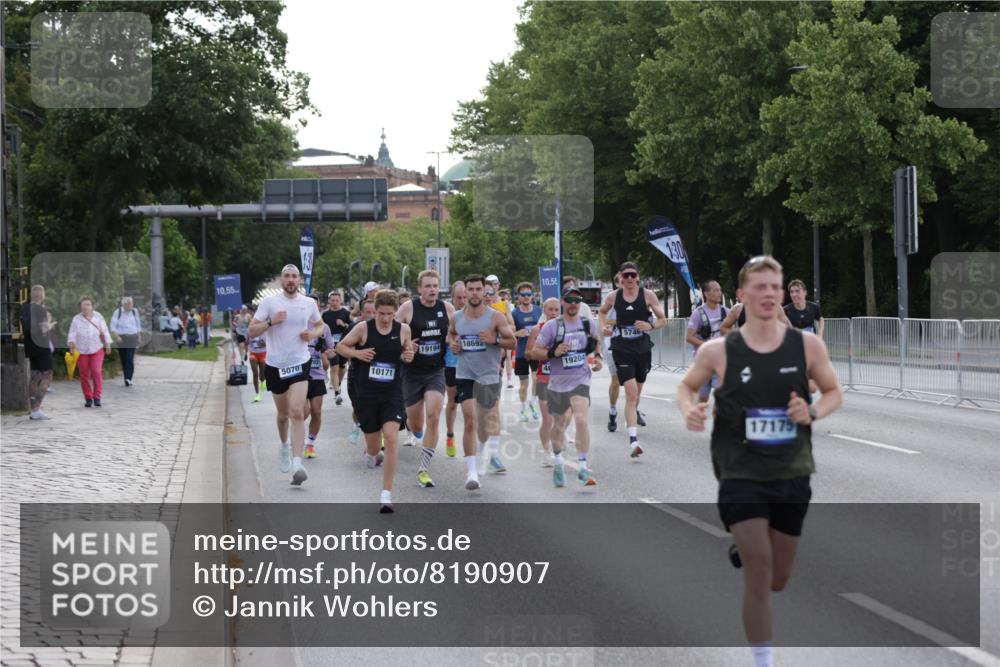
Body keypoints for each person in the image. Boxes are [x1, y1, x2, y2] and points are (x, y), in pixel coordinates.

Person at [677, 255, 842, 667]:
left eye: (774, 287)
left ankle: (748, 549)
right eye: (759, 287)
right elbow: (686, 386)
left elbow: (834, 391)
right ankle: (763, 660)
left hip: (791, 471)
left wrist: (813, 411)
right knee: (759, 568)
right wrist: (689, 409)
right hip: (740, 472)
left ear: (782, 293)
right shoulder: (718, 350)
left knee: (779, 580)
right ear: (741, 295)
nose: (768, 294)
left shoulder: (807, 346)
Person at [336, 290, 415, 512]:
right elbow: (340, 347)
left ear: (395, 312)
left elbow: (407, 354)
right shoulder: (363, 328)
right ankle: (372, 454)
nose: (386, 318)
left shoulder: (403, 330)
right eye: (381, 313)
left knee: (390, 439)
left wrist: (408, 356)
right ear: (375, 310)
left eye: (390, 314)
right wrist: (357, 354)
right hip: (367, 395)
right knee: (373, 449)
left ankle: (386, 495)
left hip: (392, 393)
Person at [248, 264, 325, 486]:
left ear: (299, 280)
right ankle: (284, 446)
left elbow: (320, 325)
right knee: (283, 415)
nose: (291, 280)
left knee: (297, 412)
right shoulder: (269, 303)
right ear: (282, 280)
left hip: (300, 362)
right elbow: (251, 330)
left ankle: (297, 463)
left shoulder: (308, 303)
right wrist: (271, 322)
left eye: (294, 276)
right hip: (275, 365)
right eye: (287, 276)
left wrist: (312, 334)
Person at [529, 286, 602, 487]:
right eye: (569, 300)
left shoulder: (587, 324)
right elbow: (535, 352)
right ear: (563, 302)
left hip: (581, 379)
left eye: (577, 300)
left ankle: (583, 467)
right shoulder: (552, 327)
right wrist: (553, 352)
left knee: (581, 419)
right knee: (559, 425)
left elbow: (596, 342)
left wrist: (598, 358)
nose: (573, 304)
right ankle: (558, 461)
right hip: (558, 382)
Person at [448, 274, 516, 491]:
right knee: (470, 419)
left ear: (484, 292)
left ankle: (481, 449)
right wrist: (453, 345)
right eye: (471, 289)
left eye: (479, 289)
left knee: (485, 423)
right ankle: (471, 472)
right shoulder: (457, 317)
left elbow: (512, 342)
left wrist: (495, 340)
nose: (475, 293)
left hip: (488, 375)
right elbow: (451, 335)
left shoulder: (495, 317)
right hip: (465, 374)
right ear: (465, 292)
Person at [598, 262, 667, 458]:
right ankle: (633, 441)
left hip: (642, 349)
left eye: (632, 275)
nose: (629, 278)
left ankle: (630, 418)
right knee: (631, 393)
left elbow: (663, 320)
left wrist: (650, 326)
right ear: (620, 277)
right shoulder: (614, 297)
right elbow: (602, 312)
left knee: (636, 393)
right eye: (625, 275)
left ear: (638, 277)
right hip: (621, 348)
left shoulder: (648, 295)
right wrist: (603, 327)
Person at [395, 270, 455, 489]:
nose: (432, 290)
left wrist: (452, 341)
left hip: (435, 371)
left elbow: (455, 333)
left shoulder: (447, 309)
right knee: (417, 424)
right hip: (411, 373)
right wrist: (405, 345)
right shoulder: (407, 308)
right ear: (419, 289)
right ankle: (415, 430)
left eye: (435, 286)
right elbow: (391, 335)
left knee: (433, 415)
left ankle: (423, 468)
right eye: (427, 286)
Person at [526, 297, 561, 467]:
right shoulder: (537, 329)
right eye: (550, 310)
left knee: (560, 419)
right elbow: (528, 353)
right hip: (544, 377)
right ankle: (547, 453)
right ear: (544, 311)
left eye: (556, 310)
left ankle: (557, 448)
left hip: (563, 379)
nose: (553, 313)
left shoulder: (567, 328)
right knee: (547, 419)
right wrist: (545, 352)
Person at [304, 295, 336, 459]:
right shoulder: (298, 324)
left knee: (316, 412)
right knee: (303, 413)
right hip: (299, 375)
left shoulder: (324, 328)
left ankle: (310, 443)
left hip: (317, 374)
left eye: (315, 306)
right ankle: (296, 436)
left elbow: (331, 350)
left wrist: (328, 352)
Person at [686, 280, 728, 404]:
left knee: (722, 397)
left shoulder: (726, 312)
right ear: (706, 294)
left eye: (720, 290)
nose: (719, 293)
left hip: (720, 362)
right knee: (703, 399)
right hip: (702, 362)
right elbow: (689, 337)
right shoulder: (698, 313)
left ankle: (719, 417)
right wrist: (707, 345)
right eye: (715, 290)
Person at [67, 297, 112, 408]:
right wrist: (72, 345)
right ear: (80, 307)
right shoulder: (76, 319)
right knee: (84, 375)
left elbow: (105, 330)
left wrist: (108, 344)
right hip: (81, 351)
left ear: (92, 307)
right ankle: (88, 397)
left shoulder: (98, 316)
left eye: (88, 304)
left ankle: (97, 397)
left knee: (96, 371)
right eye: (83, 305)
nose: (85, 307)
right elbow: (72, 334)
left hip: (97, 349)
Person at [344, 300, 377, 445]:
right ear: (361, 313)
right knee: (359, 408)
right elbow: (342, 347)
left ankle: (377, 440)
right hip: (357, 373)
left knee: (377, 408)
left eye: (374, 312)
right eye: (368, 312)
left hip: (378, 375)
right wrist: (356, 354)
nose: (371, 315)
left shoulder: (386, 327)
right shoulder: (355, 327)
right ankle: (356, 425)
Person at [22, 285, 55, 419]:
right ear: (42, 296)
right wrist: (49, 322)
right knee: (47, 376)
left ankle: (33, 410)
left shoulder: (25, 308)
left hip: (30, 347)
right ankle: (37, 408)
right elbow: (42, 329)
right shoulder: (41, 310)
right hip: (41, 346)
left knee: (35, 377)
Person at [511, 282, 542, 421]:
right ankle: (523, 409)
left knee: (537, 379)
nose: (526, 297)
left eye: (529, 294)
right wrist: (518, 333)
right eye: (523, 295)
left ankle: (533, 403)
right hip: (521, 353)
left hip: (535, 351)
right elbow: (509, 333)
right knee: (524, 384)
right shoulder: (514, 313)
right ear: (518, 296)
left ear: (532, 296)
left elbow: (545, 327)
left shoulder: (538, 310)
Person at [443, 281, 467, 457]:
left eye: (464, 297)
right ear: (452, 297)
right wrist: (452, 339)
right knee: (452, 402)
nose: (462, 300)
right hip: (451, 364)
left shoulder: (476, 314)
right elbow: (444, 338)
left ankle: (470, 441)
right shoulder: (448, 316)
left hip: (470, 365)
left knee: (470, 406)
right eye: (459, 297)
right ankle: (450, 435)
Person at [322, 290, 352, 404]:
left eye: (337, 300)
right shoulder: (325, 314)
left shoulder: (346, 313)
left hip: (343, 344)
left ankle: (338, 383)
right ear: (329, 301)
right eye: (332, 300)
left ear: (340, 301)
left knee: (342, 367)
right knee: (334, 366)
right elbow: (321, 328)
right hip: (330, 345)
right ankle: (337, 392)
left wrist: (343, 324)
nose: (334, 302)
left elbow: (353, 327)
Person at [110, 296, 142, 387]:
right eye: (129, 304)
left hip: (132, 336)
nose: (131, 305)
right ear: (124, 304)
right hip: (121, 338)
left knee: (129, 358)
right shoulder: (118, 312)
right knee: (123, 358)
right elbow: (113, 326)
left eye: (131, 303)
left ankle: (129, 378)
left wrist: (139, 335)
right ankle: (126, 377)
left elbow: (138, 324)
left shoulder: (134, 311)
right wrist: (117, 336)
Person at [247, 305, 267, 403]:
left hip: (263, 354)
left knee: (261, 375)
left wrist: (262, 343)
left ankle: (263, 381)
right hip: (253, 353)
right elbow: (247, 342)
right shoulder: (250, 331)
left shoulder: (264, 331)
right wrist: (245, 353)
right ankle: (257, 394)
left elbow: (267, 343)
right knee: (255, 373)